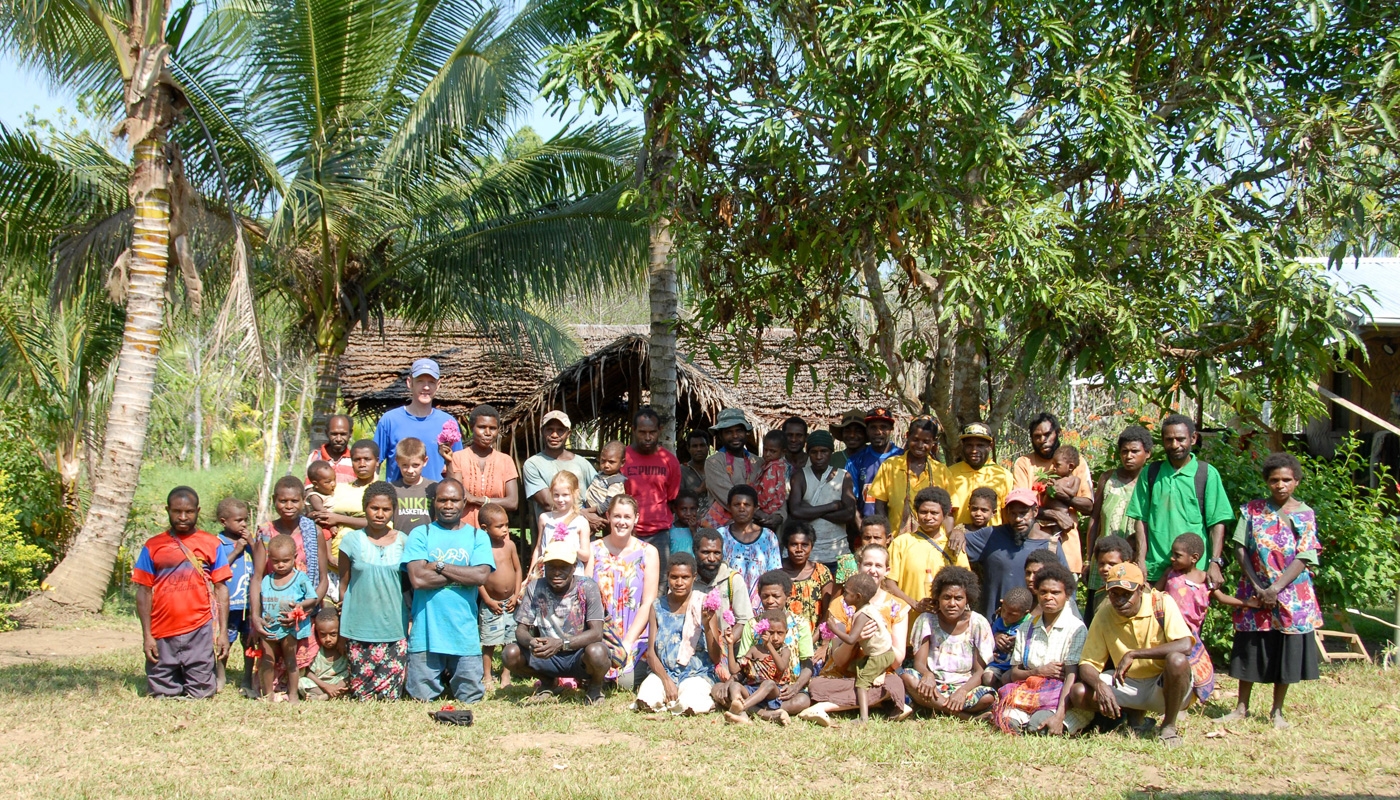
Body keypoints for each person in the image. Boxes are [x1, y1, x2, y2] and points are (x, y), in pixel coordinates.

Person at [1220, 452, 1324, 730]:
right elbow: (1240, 547)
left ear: (1297, 481)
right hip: (1256, 591)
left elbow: (1306, 555)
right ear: (1267, 481)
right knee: (1251, 647)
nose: (1280, 485)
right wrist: (1258, 586)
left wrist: (1276, 588)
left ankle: (1277, 711)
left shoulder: (1305, 514)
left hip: (1292, 595)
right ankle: (1241, 707)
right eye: (1275, 480)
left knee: (1285, 650)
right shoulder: (1252, 510)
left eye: (1287, 480)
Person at [1067, 562, 1200, 747]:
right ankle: (1135, 717)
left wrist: (1135, 654)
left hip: (1162, 686)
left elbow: (1185, 645)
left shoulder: (1161, 603)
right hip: (1128, 684)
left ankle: (1169, 726)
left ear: (1141, 589)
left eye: (1127, 594)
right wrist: (1099, 685)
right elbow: (1088, 663)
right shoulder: (1104, 615)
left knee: (1176, 660)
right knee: (1079, 692)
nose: (1120, 601)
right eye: (1114, 594)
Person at [402, 478, 496, 704]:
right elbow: (417, 579)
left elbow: (481, 576)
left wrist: (439, 566)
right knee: (420, 699)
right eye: (442, 500)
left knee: (470, 697)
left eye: (454, 500)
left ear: (464, 503)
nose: (448, 505)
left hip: (463, 634)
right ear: (434, 502)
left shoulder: (477, 536)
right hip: (426, 634)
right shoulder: (420, 533)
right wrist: (465, 574)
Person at [133, 487, 231, 699]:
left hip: (200, 628)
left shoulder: (211, 544)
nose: (183, 517)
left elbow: (221, 588)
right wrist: (147, 635)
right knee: (162, 693)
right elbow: (143, 591)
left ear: (198, 511)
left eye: (189, 512)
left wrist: (222, 632)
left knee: (202, 693)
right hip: (162, 629)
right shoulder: (153, 546)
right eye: (177, 511)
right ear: (168, 510)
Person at [803, 543, 911, 725]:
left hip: (878, 673)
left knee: (894, 684)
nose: (873, 570)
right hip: (844, 674)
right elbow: (838, 660)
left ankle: (827, 707)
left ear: (887, 570)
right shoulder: (841, 603)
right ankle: (879, 702)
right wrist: (855, 640)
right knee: (816, 686)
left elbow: (897, 660)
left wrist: (881, 634)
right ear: (859, 566)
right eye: (868, 564)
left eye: (878, 566)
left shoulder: (897, 606)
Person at [1126, 413, 1233, 585]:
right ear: (1162, 441)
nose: (1175, 445)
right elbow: (1141, 520)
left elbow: (1217, 522)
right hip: (1155, 569)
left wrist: (1215, 562)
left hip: (1194, 573)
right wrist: (1140, 560)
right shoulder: (1151, 473)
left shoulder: (1206, 474)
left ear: (1193, 438)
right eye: (1169, 440)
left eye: (1181, 439)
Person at [505, 539, 611, 704]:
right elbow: (521, 629)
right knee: (510, 654)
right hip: (547, 655)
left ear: (574, 567)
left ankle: (595, 687)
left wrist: (562, 644)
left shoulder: (587, 587)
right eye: (552, 567)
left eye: (563, 567)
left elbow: (597, 633)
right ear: (544, 567)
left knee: (598, 652)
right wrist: (532, 642)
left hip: (579, 655)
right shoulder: (535, 587)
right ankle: (548, 681)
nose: (556, 573)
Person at [250, 476, 327, 690]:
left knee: (301, 670)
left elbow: (322, 579)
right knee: (268, 676)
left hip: (303, 616)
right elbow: (256, 578)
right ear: (275, 500)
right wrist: (255, 617)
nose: (289, 506)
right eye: (283, 501)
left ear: (304, 501)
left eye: (294, 501)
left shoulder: (313, 532)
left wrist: (306, 606)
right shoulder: (265, 533)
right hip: (272, 612)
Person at [991, 564, 1087, 735]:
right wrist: (1039, 671)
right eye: (1043, 592)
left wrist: (1059, 716)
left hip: (1059, 699)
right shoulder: (1027, 627)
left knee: (1038, 727)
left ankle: (1059, 719)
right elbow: (1014, 674)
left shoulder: (1076, 629)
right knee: (1007, 723)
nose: (1048, 597)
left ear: (1067, 595)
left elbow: (1071, 675)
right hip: (1029, 694)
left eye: (1055, 593)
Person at [337, 481, 410, 701]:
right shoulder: (350, 541)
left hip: (393, 627)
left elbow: (408, 586)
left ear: (393, 511)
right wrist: (344, 620)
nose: (379, 514)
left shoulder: (403, 542)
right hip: (359, 629)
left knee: (390, 698)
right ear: (364, 508)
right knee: (362, 696)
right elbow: (344, 583)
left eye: (386, 509)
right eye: (374, 508)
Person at [713, 570, 816, 721]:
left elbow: (807, 664)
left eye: (776, 596)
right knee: (717, 689)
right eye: (765, 596)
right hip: (753, 686)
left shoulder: (800, 624)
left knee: (803, 701)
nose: (770, 601)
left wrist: (796, 687)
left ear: (787, 595)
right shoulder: (752, 624)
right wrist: (730, 683)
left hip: (783, 691)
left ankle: (749, 710)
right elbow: (743, 666)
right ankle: (766, 713)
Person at [962, 488, 1070, 622]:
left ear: (1035, 512)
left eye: (1023, 513)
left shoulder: (1051, 546)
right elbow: (949, 545)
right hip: (992, 626)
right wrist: (958, 531)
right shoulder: (991, 536)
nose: (1018, 519)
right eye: (1013, 513)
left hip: (1033, 629)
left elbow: (1066, 590)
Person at [902, 566, 997, 716]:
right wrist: (927, 675)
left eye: (958, 598)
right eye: (946, 597)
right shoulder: (927, 620)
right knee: (908, 677)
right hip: (933, 685)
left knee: (987, 697)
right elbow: (919, 663)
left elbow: (979, 671)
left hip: (964, 685)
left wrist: (962, 691)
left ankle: (936, 706)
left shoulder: (978, 623)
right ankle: (962, 715)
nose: (952, 603)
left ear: (967, 599)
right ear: (938, 598)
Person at [636, 553, 721, 715]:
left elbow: (716, 657)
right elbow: (652, 653)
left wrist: (706, 626)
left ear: (694, 578)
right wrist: (666, 681)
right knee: (647, 699)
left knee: (691, 703)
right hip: (664, 672)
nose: (679, 583)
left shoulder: (704, 605)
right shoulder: (657, 606)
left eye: (685, 577)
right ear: (667, 577)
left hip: (696, 674)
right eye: (674, 577)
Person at [591, 495, 661, 688]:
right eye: (617, 516)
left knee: (626, 683)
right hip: (600, 632)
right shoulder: (593, 550)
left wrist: (628, 641)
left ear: (636, 518)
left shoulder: (649, 552)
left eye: (627, 517)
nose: (622, 522)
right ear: (608, 516)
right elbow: (585, 600)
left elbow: (648, 602)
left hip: (635, 633)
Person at [1086, 426, 1153, 616]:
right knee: (1099, 613)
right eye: (1124, 451)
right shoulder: (1108, 479)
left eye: (1135, 451)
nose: (1128, 456)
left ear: (1147, 453)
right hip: (1104, 562)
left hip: (1133, 562)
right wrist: (1089, 559)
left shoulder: (1151, 482)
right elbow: (1095, 519)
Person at [826, 572, 908, 723]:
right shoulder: (867, 608)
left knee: (861, 684)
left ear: (857, 597)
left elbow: (851, 640)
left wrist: (834, 628)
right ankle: (879, 684)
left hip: (881, 656)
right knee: (854, 667)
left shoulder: (863, 614)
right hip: (881, 654)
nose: (843, 596)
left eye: (847, 593)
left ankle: (863, 718)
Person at [375, 358, 462, 482]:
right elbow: (374, 464)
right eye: (420, 381)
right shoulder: (389, 420)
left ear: (438, 385)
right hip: (398, 499)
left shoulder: (448, 423)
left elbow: (458, 466)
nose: (426, 387)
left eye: (431, 382)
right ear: (410, 383)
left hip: (437, 499)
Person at [312, 438, 380, 596]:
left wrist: (339, 518)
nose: (362, 464)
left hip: (363, 566)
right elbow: (319, 509)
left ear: (377, 462)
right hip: (331, 566)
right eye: (356, 459)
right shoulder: (339, 489)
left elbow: (380, 524)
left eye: (367, 459)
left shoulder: (381, 490)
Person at [888, 487, 970, 612]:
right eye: (923, 512)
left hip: (944, 621)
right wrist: (914, 604)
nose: (927, 517)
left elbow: (966, 583)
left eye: (934, 513)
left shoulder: (953, 544)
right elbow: (889, 583)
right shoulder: (901, 542)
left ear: (945, 514)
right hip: (908, 620)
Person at [621, 407, 682, 574]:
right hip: (627, 531)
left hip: (660, 534)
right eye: (642, 432)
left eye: (652, 432)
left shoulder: (669, 461)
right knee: (628, 579)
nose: (647, 437)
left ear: (659, 430)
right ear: (634, 430)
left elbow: (671, 498)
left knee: (660, 582)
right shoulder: (621, 458)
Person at [258, 534, 318, 703]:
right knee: (267, 661)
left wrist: (300, 607)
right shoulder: (266, 580)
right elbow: (260, 602)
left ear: (295, 557)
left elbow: (312, 598)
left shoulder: (300, 578)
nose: (281, 565)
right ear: (269, 558)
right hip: (269, 627)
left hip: (289, 627)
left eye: (285, 560)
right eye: (276, 561)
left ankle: (292, 694)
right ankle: (267, 694)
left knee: (291, 660)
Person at [1013, 412, 1094, 538]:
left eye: (1047, 434)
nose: (1042, 440)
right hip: (1035, 537)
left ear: (1058, 433)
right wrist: (1054, 514)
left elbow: (1088, 507)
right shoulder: (1024, 463)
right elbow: (1021, 508)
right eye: (1037, 436)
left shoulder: (1076, 462)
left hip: (1068, 536)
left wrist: (1065, 497)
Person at [868, 417, 951, 536]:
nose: (920, 445)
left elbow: (949, 512)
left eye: (926, 441)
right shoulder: (890, 466)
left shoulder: (942, 471)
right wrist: (886, 533)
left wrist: (950, 535)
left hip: (934, 542)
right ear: (907, 436)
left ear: (934, 441)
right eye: (915, 440)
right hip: (897, 539)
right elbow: (880, 506)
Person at [441, 404, 519, 529]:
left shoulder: (506, 461)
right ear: (472, 428)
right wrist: (449, 462)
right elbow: (457, 494)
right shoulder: (457, 458)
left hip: (495, 535)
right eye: (482, 427)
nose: (487, 433)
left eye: (492, 428)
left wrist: (476, 499)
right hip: (463, 530)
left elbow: (512, 502)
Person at [787, 429, 857, 568]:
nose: (819, 456)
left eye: (824, 451)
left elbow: (849, 514)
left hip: (839, 551)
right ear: (809, 454)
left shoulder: (843, 476)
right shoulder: (800, 476)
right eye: (814, 452)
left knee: (847, 589)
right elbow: (795, 512)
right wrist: (832, 506)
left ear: (831, 452)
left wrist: (810, 511)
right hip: (808, 554)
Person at [1158, 533, 1248, 637]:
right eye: (1172, 554)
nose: (1172, 558)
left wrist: (1247, 602)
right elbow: (1154, 593)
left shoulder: (1205, 578)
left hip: (1190, 633)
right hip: (1166, 628)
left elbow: (1222, 597)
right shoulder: (1170, 573)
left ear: (1194, 558)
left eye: (1177, 555)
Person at [521, 411, 598, 527]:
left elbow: (598, 493)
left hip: (583, 534)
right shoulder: (533, 464)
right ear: (542, 431)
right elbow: (548, 503)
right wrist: (582, 514)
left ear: (568, 433)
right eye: (549, 429)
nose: (554, 435)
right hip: (553, 534)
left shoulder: (582, 464)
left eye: (560, 430)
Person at [478, 503, 523, 691]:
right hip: (491, 604)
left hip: (511, 602)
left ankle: (506, 674)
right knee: (489, 642)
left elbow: (518, 569)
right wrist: (487, 600)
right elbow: (478, 578)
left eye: (506, 525)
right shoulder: (481, 548)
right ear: (484, 528)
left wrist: (516, 594)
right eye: (499, 526)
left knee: (510, 640)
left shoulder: (510, 545)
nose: (505, 529)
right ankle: (487, 675)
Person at [722, 609, 794, 724]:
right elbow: (734, 669)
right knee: (735, 685)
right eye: (770, 633)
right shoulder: (755, 650)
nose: (775, 637)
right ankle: (740, 710)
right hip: (753, 690)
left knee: (768, 683)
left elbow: (781, 667)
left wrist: (769, 645)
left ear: (786, 632)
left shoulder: (785, 651)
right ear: (763, 632)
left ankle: (742, 707)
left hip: (773, 691)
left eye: (780, 633)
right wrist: (730, 645)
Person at [214, 497, 254, 697]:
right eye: (239, 520)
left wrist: (252, 544)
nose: (244, 524)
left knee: (249, 642)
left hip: (249, 605)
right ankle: (220, 675)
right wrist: (237, 549)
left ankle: (248, 677)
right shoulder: (218, 543)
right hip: (229, 606)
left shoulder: (250, 541)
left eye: (245, 519)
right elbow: (217, 570)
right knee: (225, 641)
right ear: (224, 521)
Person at [718, 485, 782, 606]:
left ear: (755, 508)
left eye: (747, 505)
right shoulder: (720, 535)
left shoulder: (768, 537)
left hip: (760, 605)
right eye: (737, 505)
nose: (742, 509)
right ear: (729, 507)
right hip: (727, 604)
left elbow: (775, 574)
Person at [701, 408, 761, 528]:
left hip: (754, 527)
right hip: (724, 528)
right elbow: (729, 496)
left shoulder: (758, 462)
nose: (735, 436)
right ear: (720, 436)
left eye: (739, 431)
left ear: (746, 433)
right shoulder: (714, 462)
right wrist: (760, 514)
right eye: (728, 432)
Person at [947, 421, 1014, 528]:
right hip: (958, 540)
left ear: (990, 446)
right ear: (962, 445)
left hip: (991, 540)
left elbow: (1006, 514)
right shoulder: (949, 473)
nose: (974, 450)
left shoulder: (1003, 476)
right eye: (969, 445)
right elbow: (946, 512)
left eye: (980, 445)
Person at [1033, 445, 1086, 573]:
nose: (1053, 468)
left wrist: (1059, 489)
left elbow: (1072, 493)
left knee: (1057, 536)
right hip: (1047, 516)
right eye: (1053, 464)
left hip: (1063, 515)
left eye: (1057, 465)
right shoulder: (1053, 477)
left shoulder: (1074, 480)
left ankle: (1056, 555)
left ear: (1071, 467)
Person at [529, 471, 591, 580]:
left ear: (576, 493)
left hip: (572, 576)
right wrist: (530, 575)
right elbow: (539, 549)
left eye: (565, 495)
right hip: (546, 574)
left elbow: (586, 556)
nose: (560, 499)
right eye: (556, 495)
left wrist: (571, 547)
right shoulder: (545, 518)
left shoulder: (581, 522)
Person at [691, 527, 755, 630]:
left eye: (716, 553)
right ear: (695, 551)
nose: (712, 558)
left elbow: (744, 621)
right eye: (706, 552)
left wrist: (725, 644)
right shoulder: (686, 579)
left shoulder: (733, 580)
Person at [779, 521, 833, 637]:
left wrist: (812, 642)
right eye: (794, 544)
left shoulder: (821, 572)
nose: (799, 549)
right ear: (786, 546)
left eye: (804, 545)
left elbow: (828, 612)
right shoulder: (778, 573)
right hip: (783, 641)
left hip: (815, 638)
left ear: (811, 546)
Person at [846, 407, 902, 509]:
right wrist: (861, 525)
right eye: (873, 427)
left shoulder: (903, 458)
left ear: (891, 429)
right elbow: (851, 502)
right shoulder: (855, 461)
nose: (878, 432)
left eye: (883, 427)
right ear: (867, 430)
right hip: (867, 523)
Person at [981, 587, 1034, 688]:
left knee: (1006, 678)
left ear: (1025, 613)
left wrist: (1020, 641)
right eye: (1003, 610)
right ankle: (995, 697)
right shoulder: (999, 621)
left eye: (1011, 614)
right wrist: (995, 639)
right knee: (987, 678)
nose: (1005, 615)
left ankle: (1006, 698)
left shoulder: (1031, 625)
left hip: (1016, 667)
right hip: (998, 663)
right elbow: (987, 641)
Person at [390, 437, 437, 536]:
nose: (410, 471)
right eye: (405, 465)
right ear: (397, 462)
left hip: (426, 543)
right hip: (399, 543)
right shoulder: (391, 489)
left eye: (415, 465)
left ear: (425, 461)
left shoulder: (433, 488)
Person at [300, 609, 350, 700]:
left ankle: (322, 697)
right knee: (300, 682)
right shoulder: (315, 651)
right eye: (323, 634)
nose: (328, 639)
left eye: (333, 634)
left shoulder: (344, 650)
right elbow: (307, 672)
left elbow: (350, 673)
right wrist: (326, 686)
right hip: (319, 684)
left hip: (338, 683)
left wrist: (337, 687)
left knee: (354, 680)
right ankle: (331, 696)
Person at [833, 514, 892, 586]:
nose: (872, 542)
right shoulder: (847, 563)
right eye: (867, 538)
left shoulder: (895, 561)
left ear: (888, 539)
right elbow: (837, 596)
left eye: (877, 537)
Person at [583, 440, 628, 526]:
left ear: (622, 463)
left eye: (611, 462)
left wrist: (589, 511)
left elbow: (609, 503)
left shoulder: (616, 482)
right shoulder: (602, 474)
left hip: (600, 514)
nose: (606, 465)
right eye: (603, 461)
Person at [753, 429, 791, 530]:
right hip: (773, 508)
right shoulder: (780, 465)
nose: (768, 454)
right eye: (765, 450)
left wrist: (755, 507)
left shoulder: (772, 468)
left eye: (772, 451)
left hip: (766, 509)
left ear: (783, 452)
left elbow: (767, 493)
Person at [307, 414, 356, 484]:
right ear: (327, 433)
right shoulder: (315, 457)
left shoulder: (355, 459)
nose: (338, 439)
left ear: (350, 433)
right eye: (334, 434)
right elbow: (308, 487)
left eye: (343, 434)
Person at [679, 429, 712, 521]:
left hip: (714, 522)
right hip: (689, 522)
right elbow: (677, 498)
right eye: (694, 446)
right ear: (688, 448)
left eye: (702, 445)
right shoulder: (682, 470)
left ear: (708, 447)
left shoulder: (715, 469)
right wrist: (699, 490)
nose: (699, 449)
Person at [669, 491, 701, 557]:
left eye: (692, 509)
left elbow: (701, 550)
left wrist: (694, 531)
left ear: (697, 509)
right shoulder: (670, 531)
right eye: (683, 509)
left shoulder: (700, 530)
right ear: (675, 509)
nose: (688, 513)